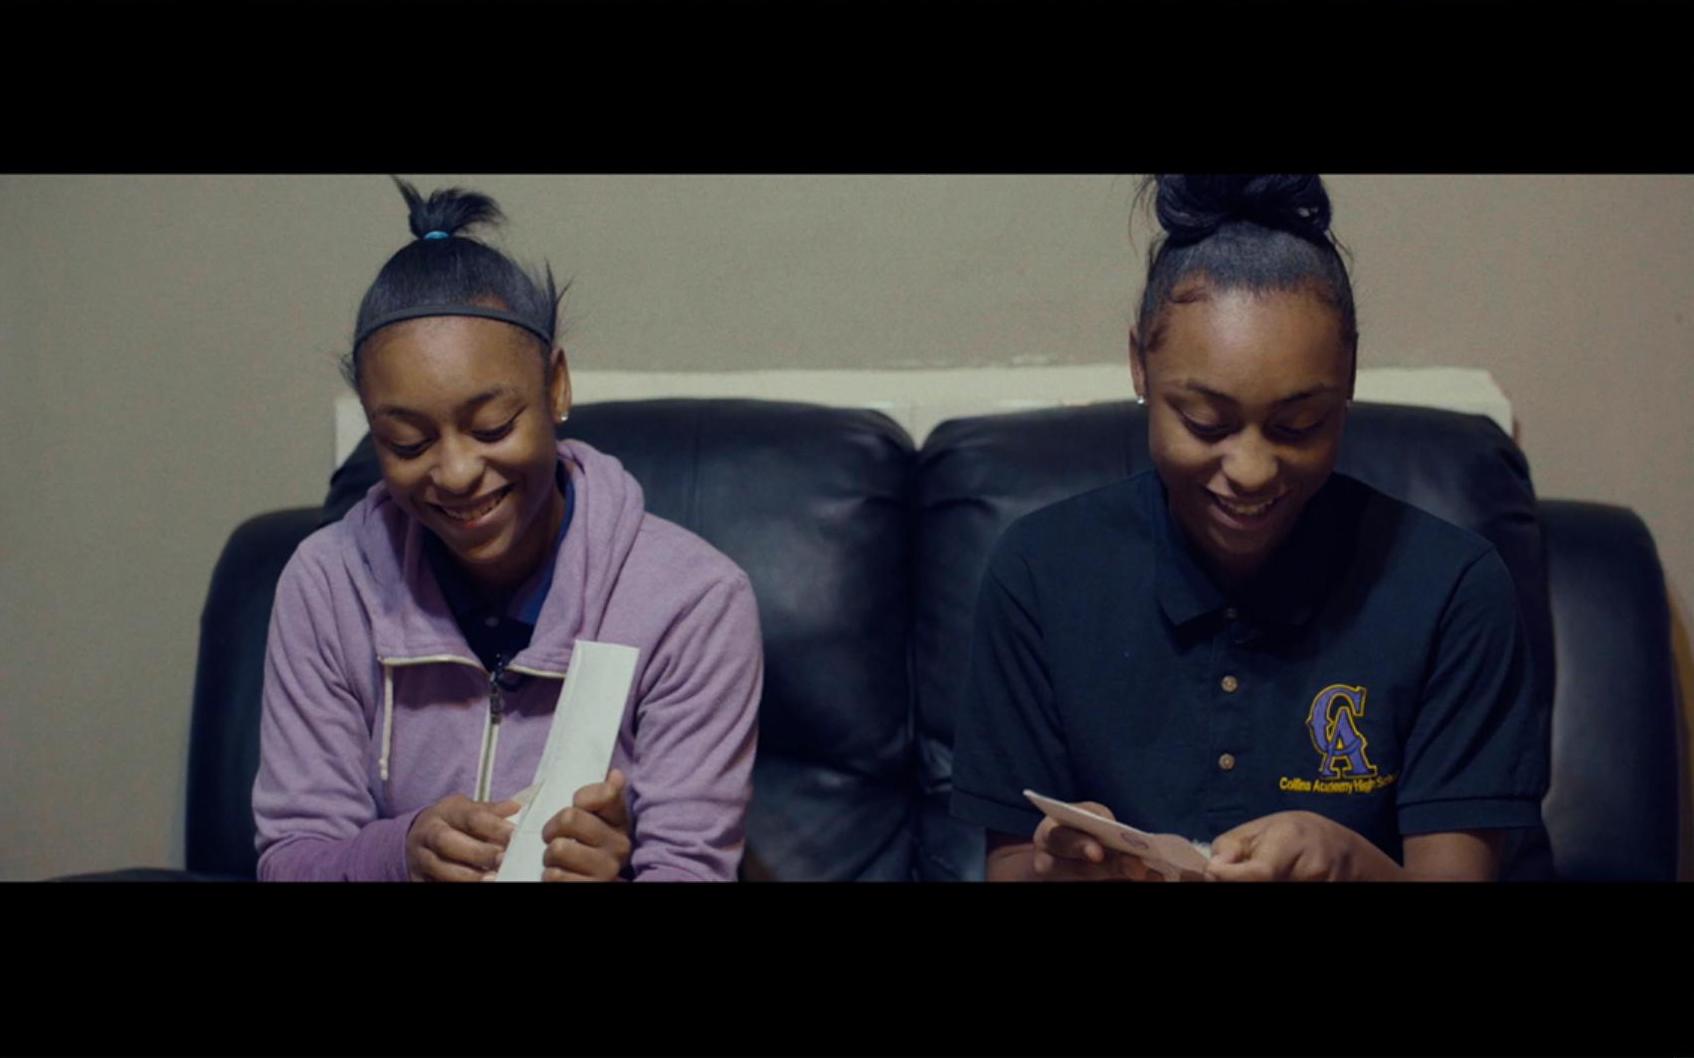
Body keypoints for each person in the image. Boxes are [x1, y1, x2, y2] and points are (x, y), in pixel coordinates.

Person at [950, 174, 1548, 882]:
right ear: (1140, 364)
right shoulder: (1041, 572)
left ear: (1350, 373)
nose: (1253, 471)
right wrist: (1062, 867)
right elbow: (1013, 863)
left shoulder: (1450, 590)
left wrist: (1347, 861)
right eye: (1206, 423)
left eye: (1300, 425)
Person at [252, 179, 762, 881]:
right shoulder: (330, 584)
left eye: (492, 427)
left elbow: (691, 868)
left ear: (556, 387)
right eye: (406, 443)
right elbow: (292, 857)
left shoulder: (692, 602)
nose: (457, 473)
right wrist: (402, 853)